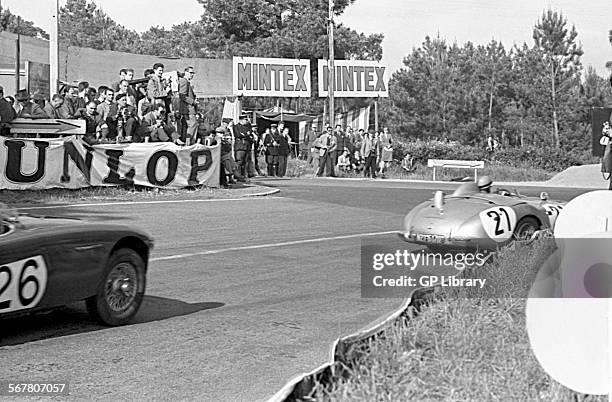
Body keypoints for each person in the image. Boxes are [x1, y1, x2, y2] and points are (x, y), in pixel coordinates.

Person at [178, 66, 198, 143]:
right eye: (191, 73)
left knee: (185, 127)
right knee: (193, 125)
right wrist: (193, 102)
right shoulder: (184, 81)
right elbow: (182, 95)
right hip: (188, 109)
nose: (192, 74)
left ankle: (185, 143)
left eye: (193, 73)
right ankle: (189, 144)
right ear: (186, 72)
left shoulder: (186, 82)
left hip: (186, 109)